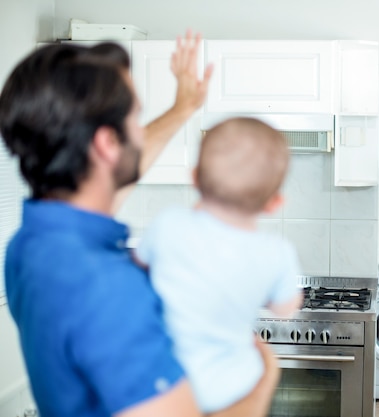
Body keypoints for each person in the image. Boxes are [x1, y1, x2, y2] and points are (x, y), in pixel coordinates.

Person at [0, 32, 279, 417]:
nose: (139, 130)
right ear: (106, 144)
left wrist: (183, 108)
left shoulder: (30, 244)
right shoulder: (107, 287)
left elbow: (112, 178)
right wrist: (265, 379)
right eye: (135, 118)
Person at [134, 116, 303, 413]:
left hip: (166, 384)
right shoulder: (276, 252)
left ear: (195, 177)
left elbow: (139, 267)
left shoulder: (168, 224)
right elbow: (286, 307)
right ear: (274, 203)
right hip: (234, 389)